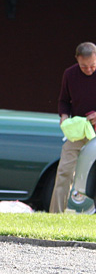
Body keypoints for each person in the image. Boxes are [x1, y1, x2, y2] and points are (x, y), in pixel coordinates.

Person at [51, 42, 96, 212]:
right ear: (77, 59)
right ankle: (55, 215)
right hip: (79, 131)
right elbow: (63, 101)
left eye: (93, 65)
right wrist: (63, 116)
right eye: (84, 66)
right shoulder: (70, 74)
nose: (89, 70)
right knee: (64, 172)